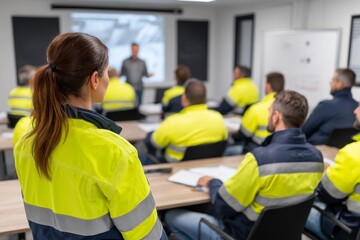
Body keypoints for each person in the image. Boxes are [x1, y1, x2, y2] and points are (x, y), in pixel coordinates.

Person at [14, 32, 166, 240]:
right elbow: (149, 236)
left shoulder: (26, 144)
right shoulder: (115, 152)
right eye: (106, 72)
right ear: (95, 79)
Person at [165, 90, 324, 240]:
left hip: (241, 235)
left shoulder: (259, 159)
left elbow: (224, 206)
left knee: (171, 216)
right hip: (282, 234)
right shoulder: (317, 158)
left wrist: (214, 183)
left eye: (269, 111)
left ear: (276, 117)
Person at [305, 103, 360, 240]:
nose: (355, 110)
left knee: (289, 210)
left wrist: (328, 173)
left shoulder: (353, 154)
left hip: (344, 229)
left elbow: (326, 195)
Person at [146, 79, 227, 163]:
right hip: (210, 167)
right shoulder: (218, 118)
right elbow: (225, 140)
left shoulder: (173, 122)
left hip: (175, 169)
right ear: (205, 98)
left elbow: (155, 143)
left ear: (184, 98)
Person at [302, 68, 358, 145]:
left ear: (339, 84)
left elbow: (303, 132)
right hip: (344, 152)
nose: (330, 82)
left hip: (321, 152)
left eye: (333, 80)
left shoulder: (325, 106)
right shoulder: (357, 108)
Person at [235, 72, 285, 153]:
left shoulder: (256, 108)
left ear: (268, 86)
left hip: (257, 152)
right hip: (280, 152)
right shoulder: (289, 108)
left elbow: (243, 135)